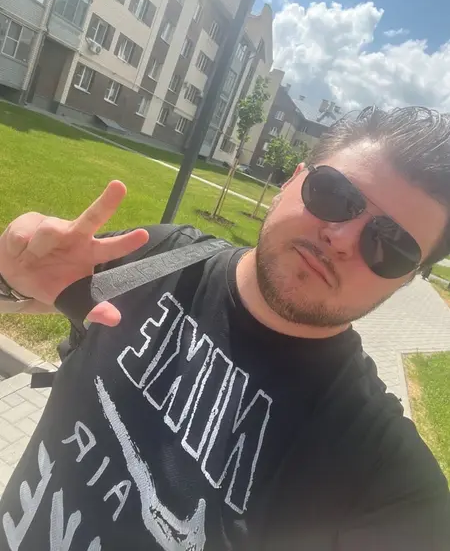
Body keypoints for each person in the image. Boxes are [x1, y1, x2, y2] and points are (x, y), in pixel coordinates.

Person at [0, 106, 449, 551]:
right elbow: (29, 295)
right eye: (333, 193)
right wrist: (12, 275)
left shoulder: (383, 475)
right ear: (291, 181)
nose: (342, 238)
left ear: (408, 279)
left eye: (391, 246)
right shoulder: (161, 257)